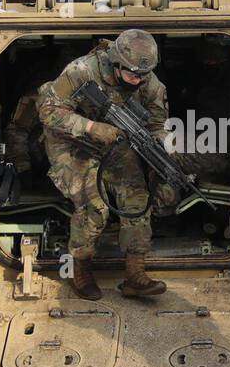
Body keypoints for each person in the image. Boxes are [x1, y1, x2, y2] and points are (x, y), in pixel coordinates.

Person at [37, 29, 169, 300]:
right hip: (70, 142)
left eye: (144, 75)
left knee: (138, 200)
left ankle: (135, 274)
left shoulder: (149, 82)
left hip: (116, 142)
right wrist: (91, 127)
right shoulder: (82, 71)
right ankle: (79, 268)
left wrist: (159, 152)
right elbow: (48, 111)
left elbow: (157, 124)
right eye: (132, 74)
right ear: (116, 63)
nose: (139, 80)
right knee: (94, 206)